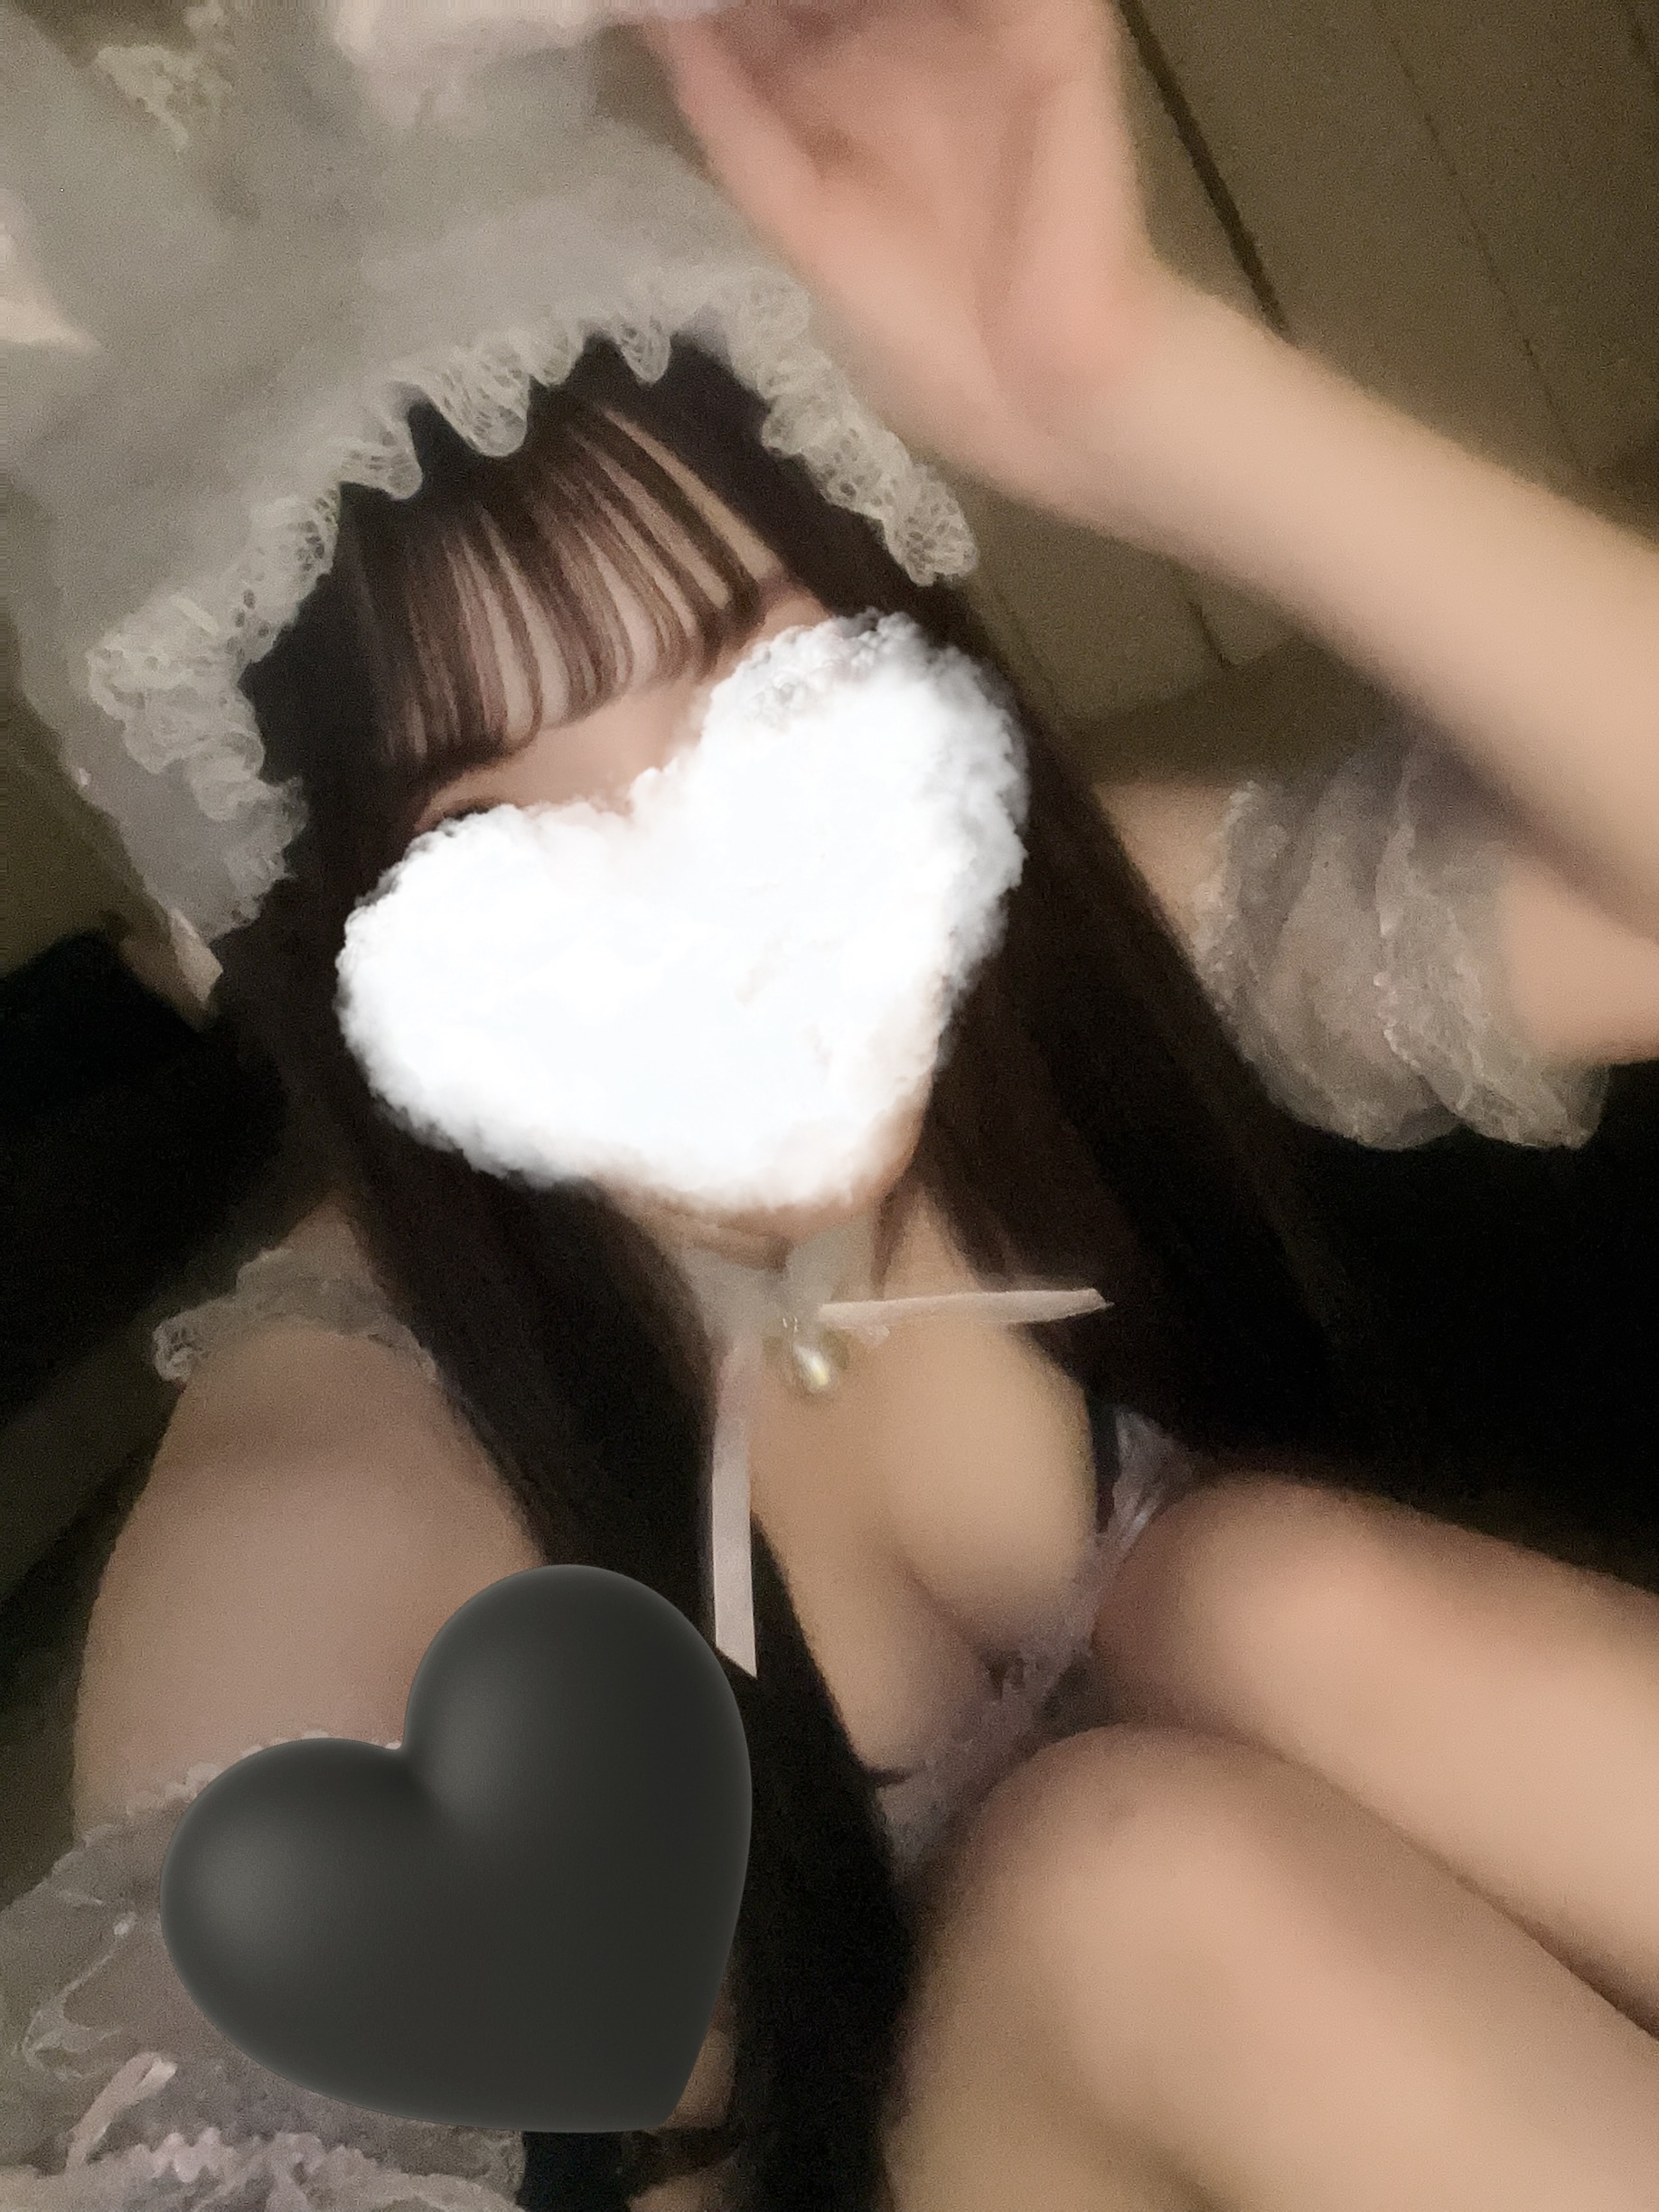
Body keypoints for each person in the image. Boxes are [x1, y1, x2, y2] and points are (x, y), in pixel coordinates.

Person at [5, 3, 1659, 2210]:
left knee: (1270, 1598)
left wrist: (1135, 384)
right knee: (1133, 1892)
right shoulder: (340, 1507)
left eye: (766, 690)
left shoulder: (1002, 958)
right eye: (494, 828)